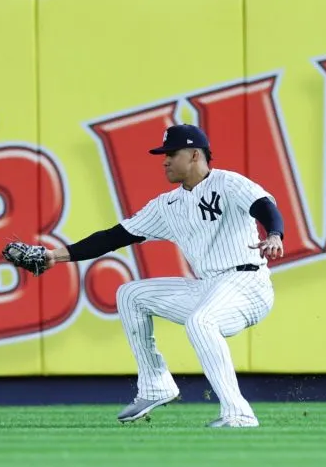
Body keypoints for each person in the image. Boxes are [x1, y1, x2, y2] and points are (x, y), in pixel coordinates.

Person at [17, 124, 286, 428]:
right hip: (209, 286)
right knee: (130, 295)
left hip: (247, 284)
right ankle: (156, 384)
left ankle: (239, 414)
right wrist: (55, 256)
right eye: (164, 154)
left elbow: (264, 206)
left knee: (201, 321)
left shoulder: (228, 183)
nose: (165, 160)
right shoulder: (167, 205)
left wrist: (275, 233)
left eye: (172, 153)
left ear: (195, 154)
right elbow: (114, 236)